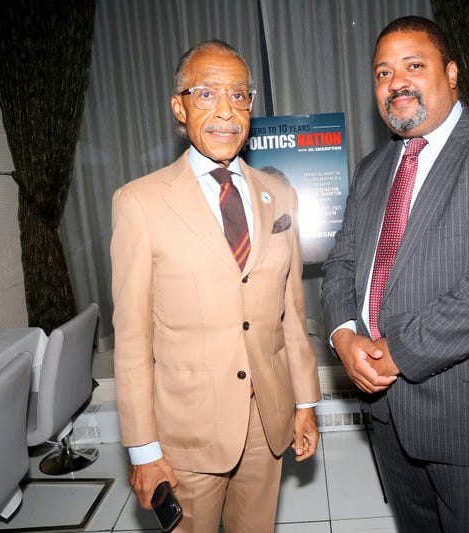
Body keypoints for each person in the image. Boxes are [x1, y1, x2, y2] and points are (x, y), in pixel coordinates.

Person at [321, 16, 469, 532]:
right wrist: (343, 336)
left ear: (451, 73)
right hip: (388, 411)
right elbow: (342, 263)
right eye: (383, 73)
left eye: (413, 65)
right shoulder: (372, 169)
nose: (396, 82)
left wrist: (398, 352)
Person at [111, 40, 321, 533]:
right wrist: (143, 450)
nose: (226, 111)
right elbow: (133, 340)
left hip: (267, 421)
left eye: (239, 95)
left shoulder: (280, 194)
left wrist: (305, 403)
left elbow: (291, 313)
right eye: (206, 94)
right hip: (187, 435)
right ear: (179, 107)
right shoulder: (139, 203)